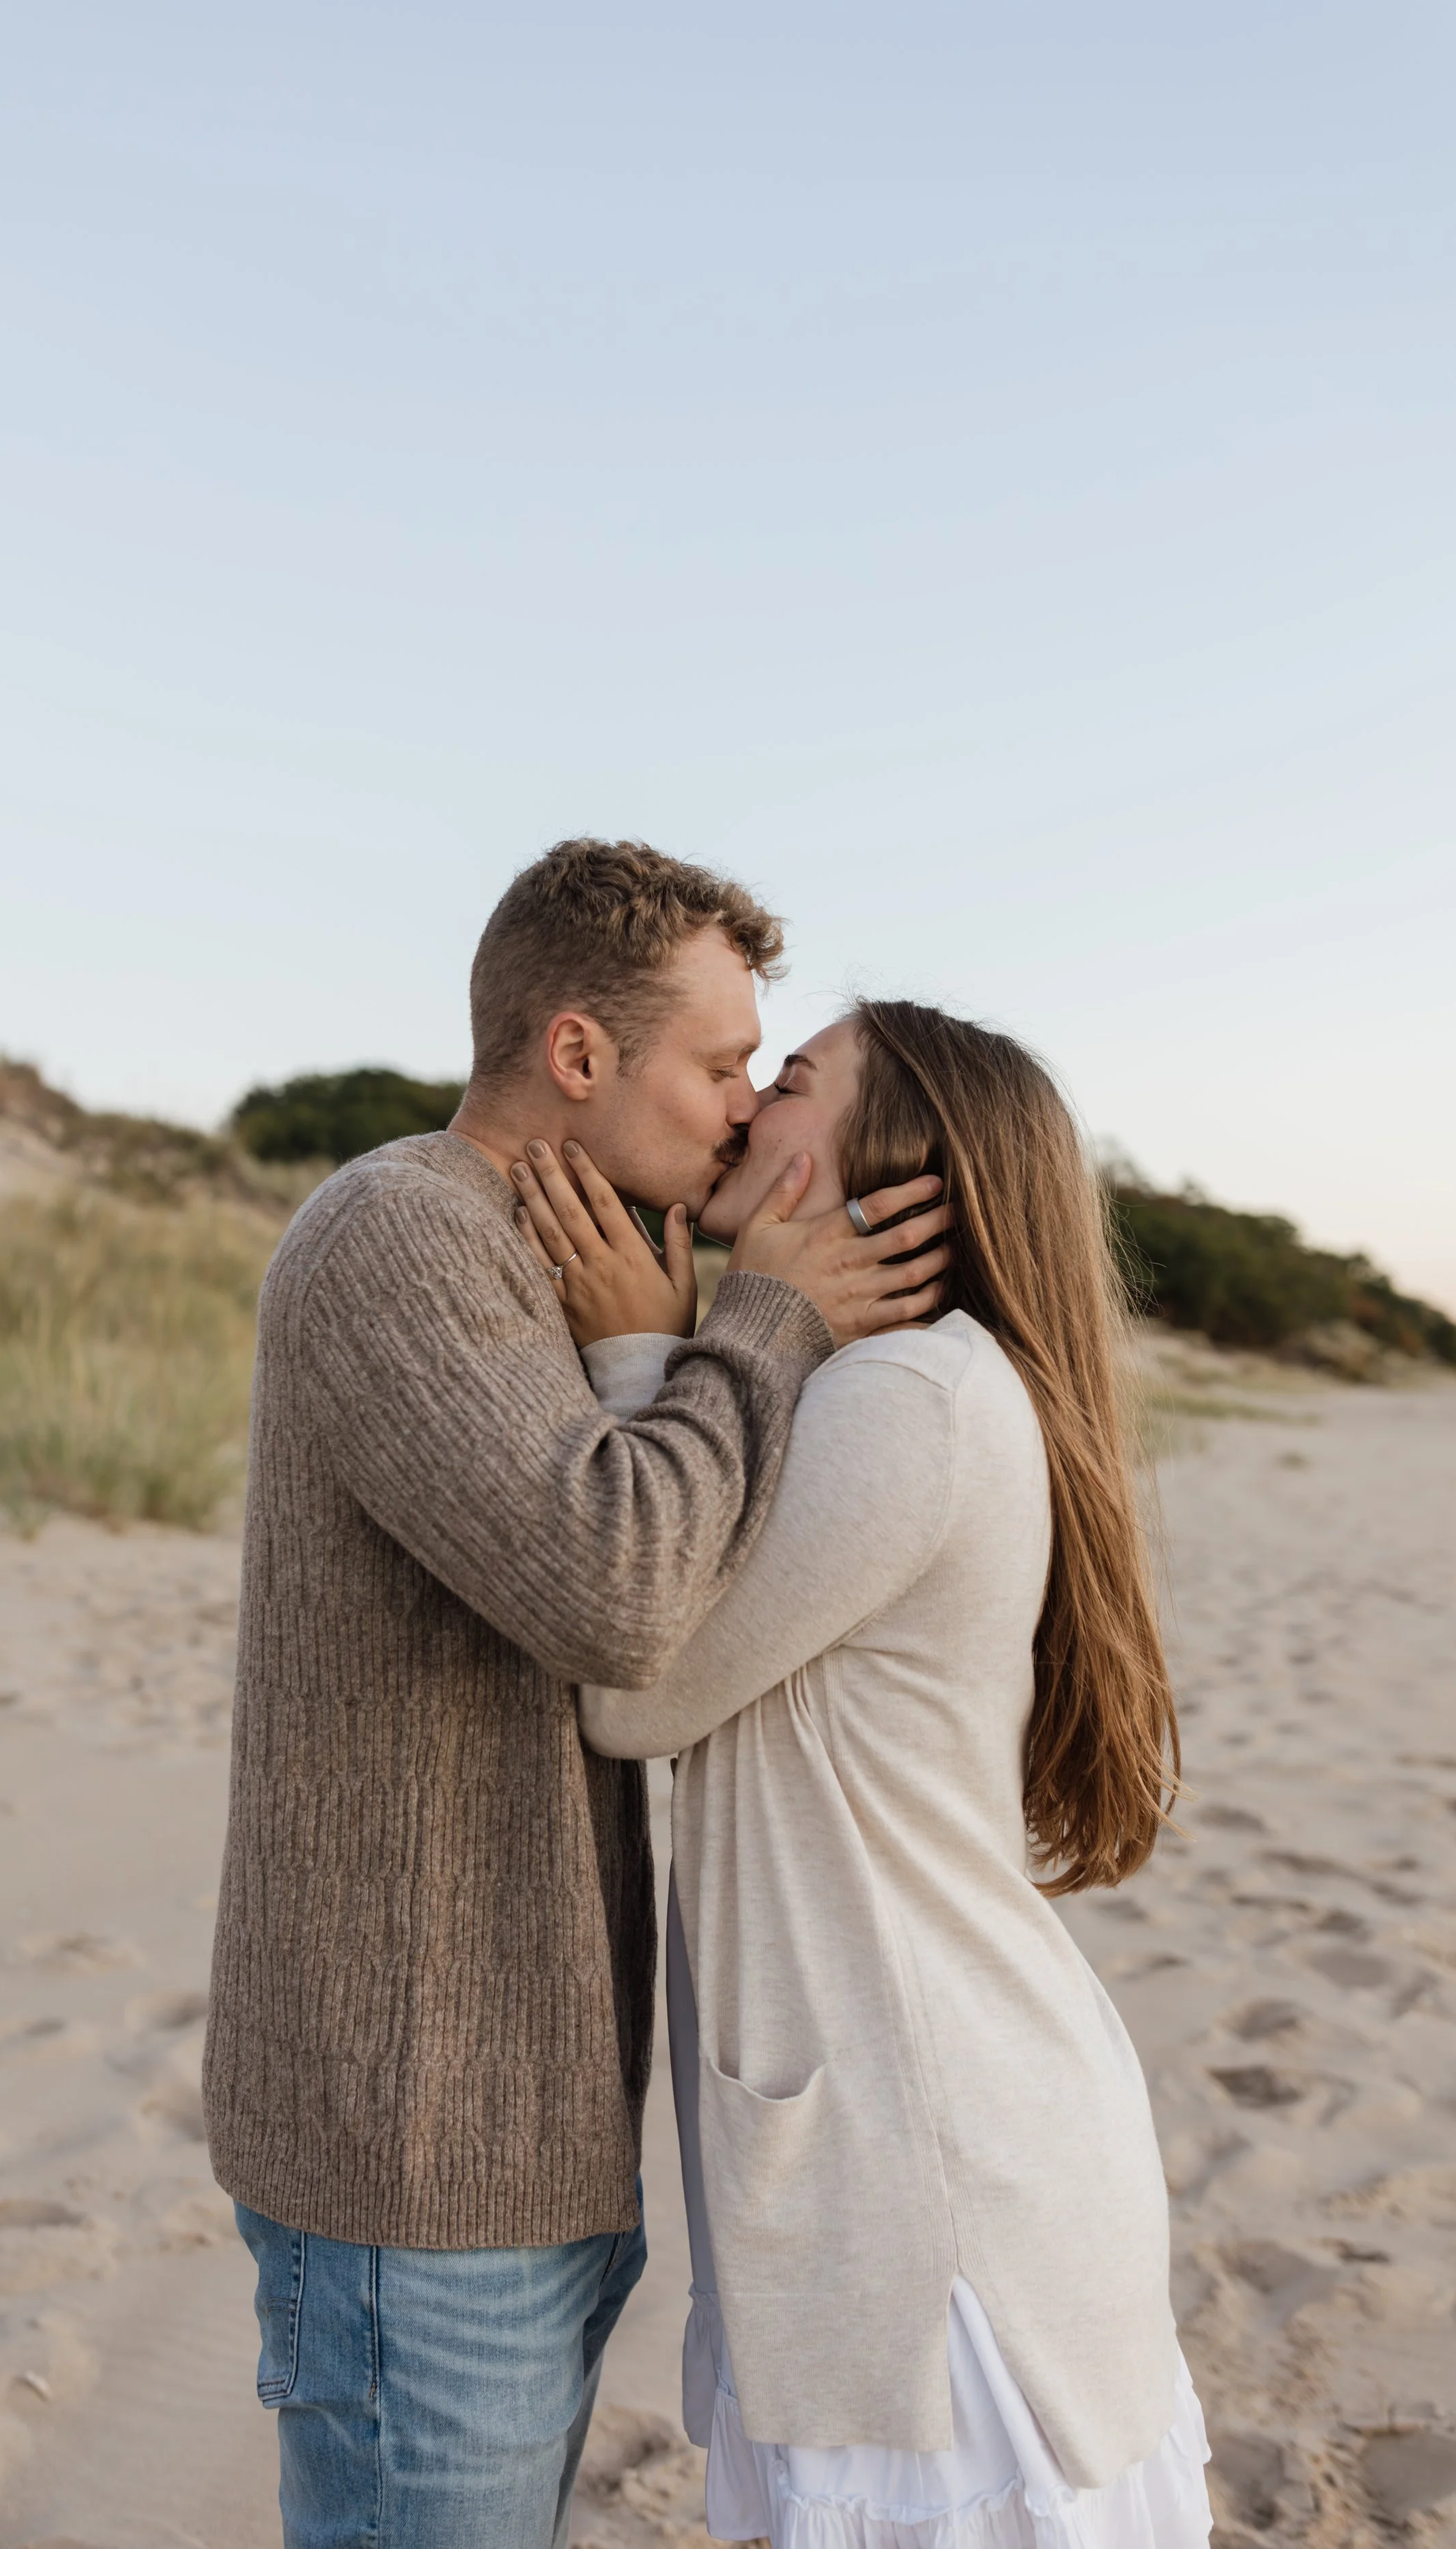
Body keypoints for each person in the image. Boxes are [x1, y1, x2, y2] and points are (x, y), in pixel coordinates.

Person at [203, 843, 953, 2549]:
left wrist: (688, 1334)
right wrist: (755, 1328)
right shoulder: (399, 1237)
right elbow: (616, 1592)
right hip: (412, 2157)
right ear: (577, 1054)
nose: (741, 1110)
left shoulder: (553, 1261)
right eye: (714, 1065)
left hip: (523, 2141)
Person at [514, 999, 1214, 2549]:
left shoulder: (906, 1403)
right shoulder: (896, 1390)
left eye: (794, 1078)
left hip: (940, 2187)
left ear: (883, 1170)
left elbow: (638, 1687)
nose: (750, 1098)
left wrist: (641, 1356)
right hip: (932, 2136)